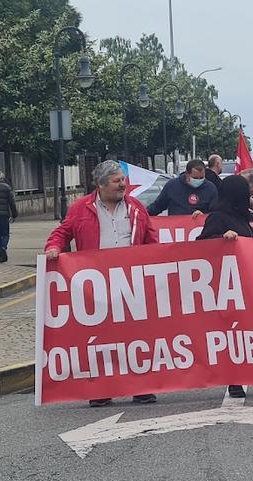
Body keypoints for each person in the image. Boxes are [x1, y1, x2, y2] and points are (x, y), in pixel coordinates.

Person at [44, 160, 158, 407]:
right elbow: (62, 233)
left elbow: (152, 241)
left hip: (131, 283)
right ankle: (101, 389)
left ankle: (141, 387)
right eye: (117, 181)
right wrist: (54, 248)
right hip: (96, 285)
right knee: (100, 339)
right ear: (101, 184)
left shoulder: (136, 207)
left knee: (135, 337)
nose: (123, 185)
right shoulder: (80, 208)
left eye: (123, 180)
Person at [196, 175, 253, 399]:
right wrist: (221, 238)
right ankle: (235, 380)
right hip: (232, 286)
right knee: (236, 333)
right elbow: (201, 246)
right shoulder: (218, 218)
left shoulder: (249, 216)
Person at [147, 159, 217, 217]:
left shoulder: (211, 188)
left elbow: (216, 212)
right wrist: (142, 215)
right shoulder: (172, 186)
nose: (199, 180)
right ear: (187, 174)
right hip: (176, 229)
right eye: (195, 178)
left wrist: (204, 216)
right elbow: (157, 206)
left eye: (201, 178)